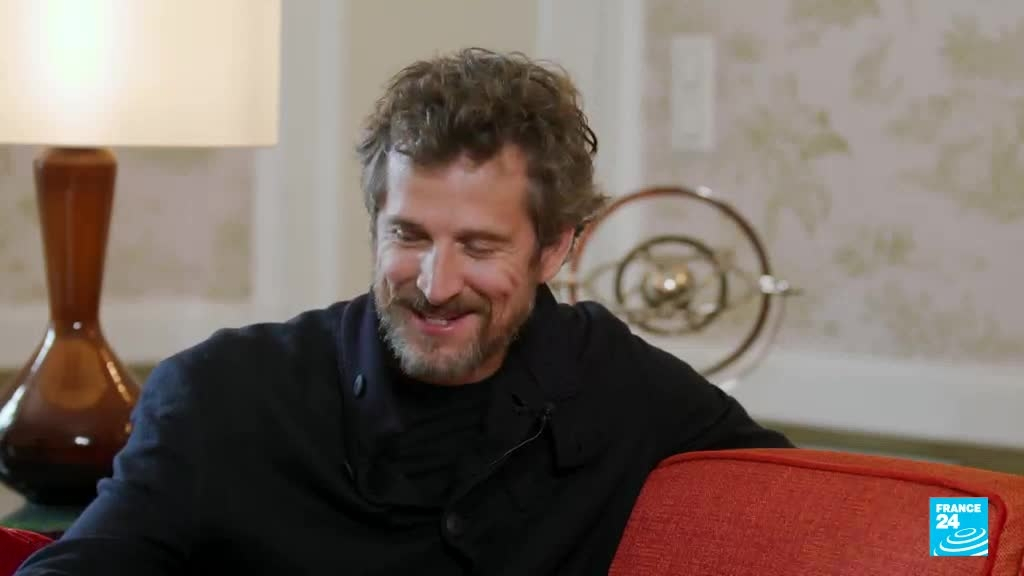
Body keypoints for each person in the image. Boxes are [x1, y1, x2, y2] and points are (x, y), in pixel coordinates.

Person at [16, 47, 791, 576]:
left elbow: (837, 519)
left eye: (480, 246)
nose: (435, 282)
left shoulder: (627, 391)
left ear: (556, 248)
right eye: (408, 235)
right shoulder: (220, 395)